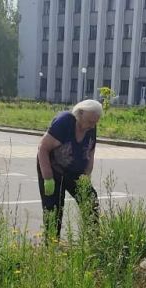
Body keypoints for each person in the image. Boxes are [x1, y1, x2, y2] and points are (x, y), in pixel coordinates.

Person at [36, 99, 102, 239]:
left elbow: (90, 153)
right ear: (80, 113)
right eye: (90, 121)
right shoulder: (64, 122)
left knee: (90, 200)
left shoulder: (91, 127)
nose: (92, 125)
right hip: (53, 169)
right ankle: (51, 246)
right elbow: (43, 148)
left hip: (75, 172)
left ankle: (95, 240)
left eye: (96, 122)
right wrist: (47, 177)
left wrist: (86, 176)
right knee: (54, 208)